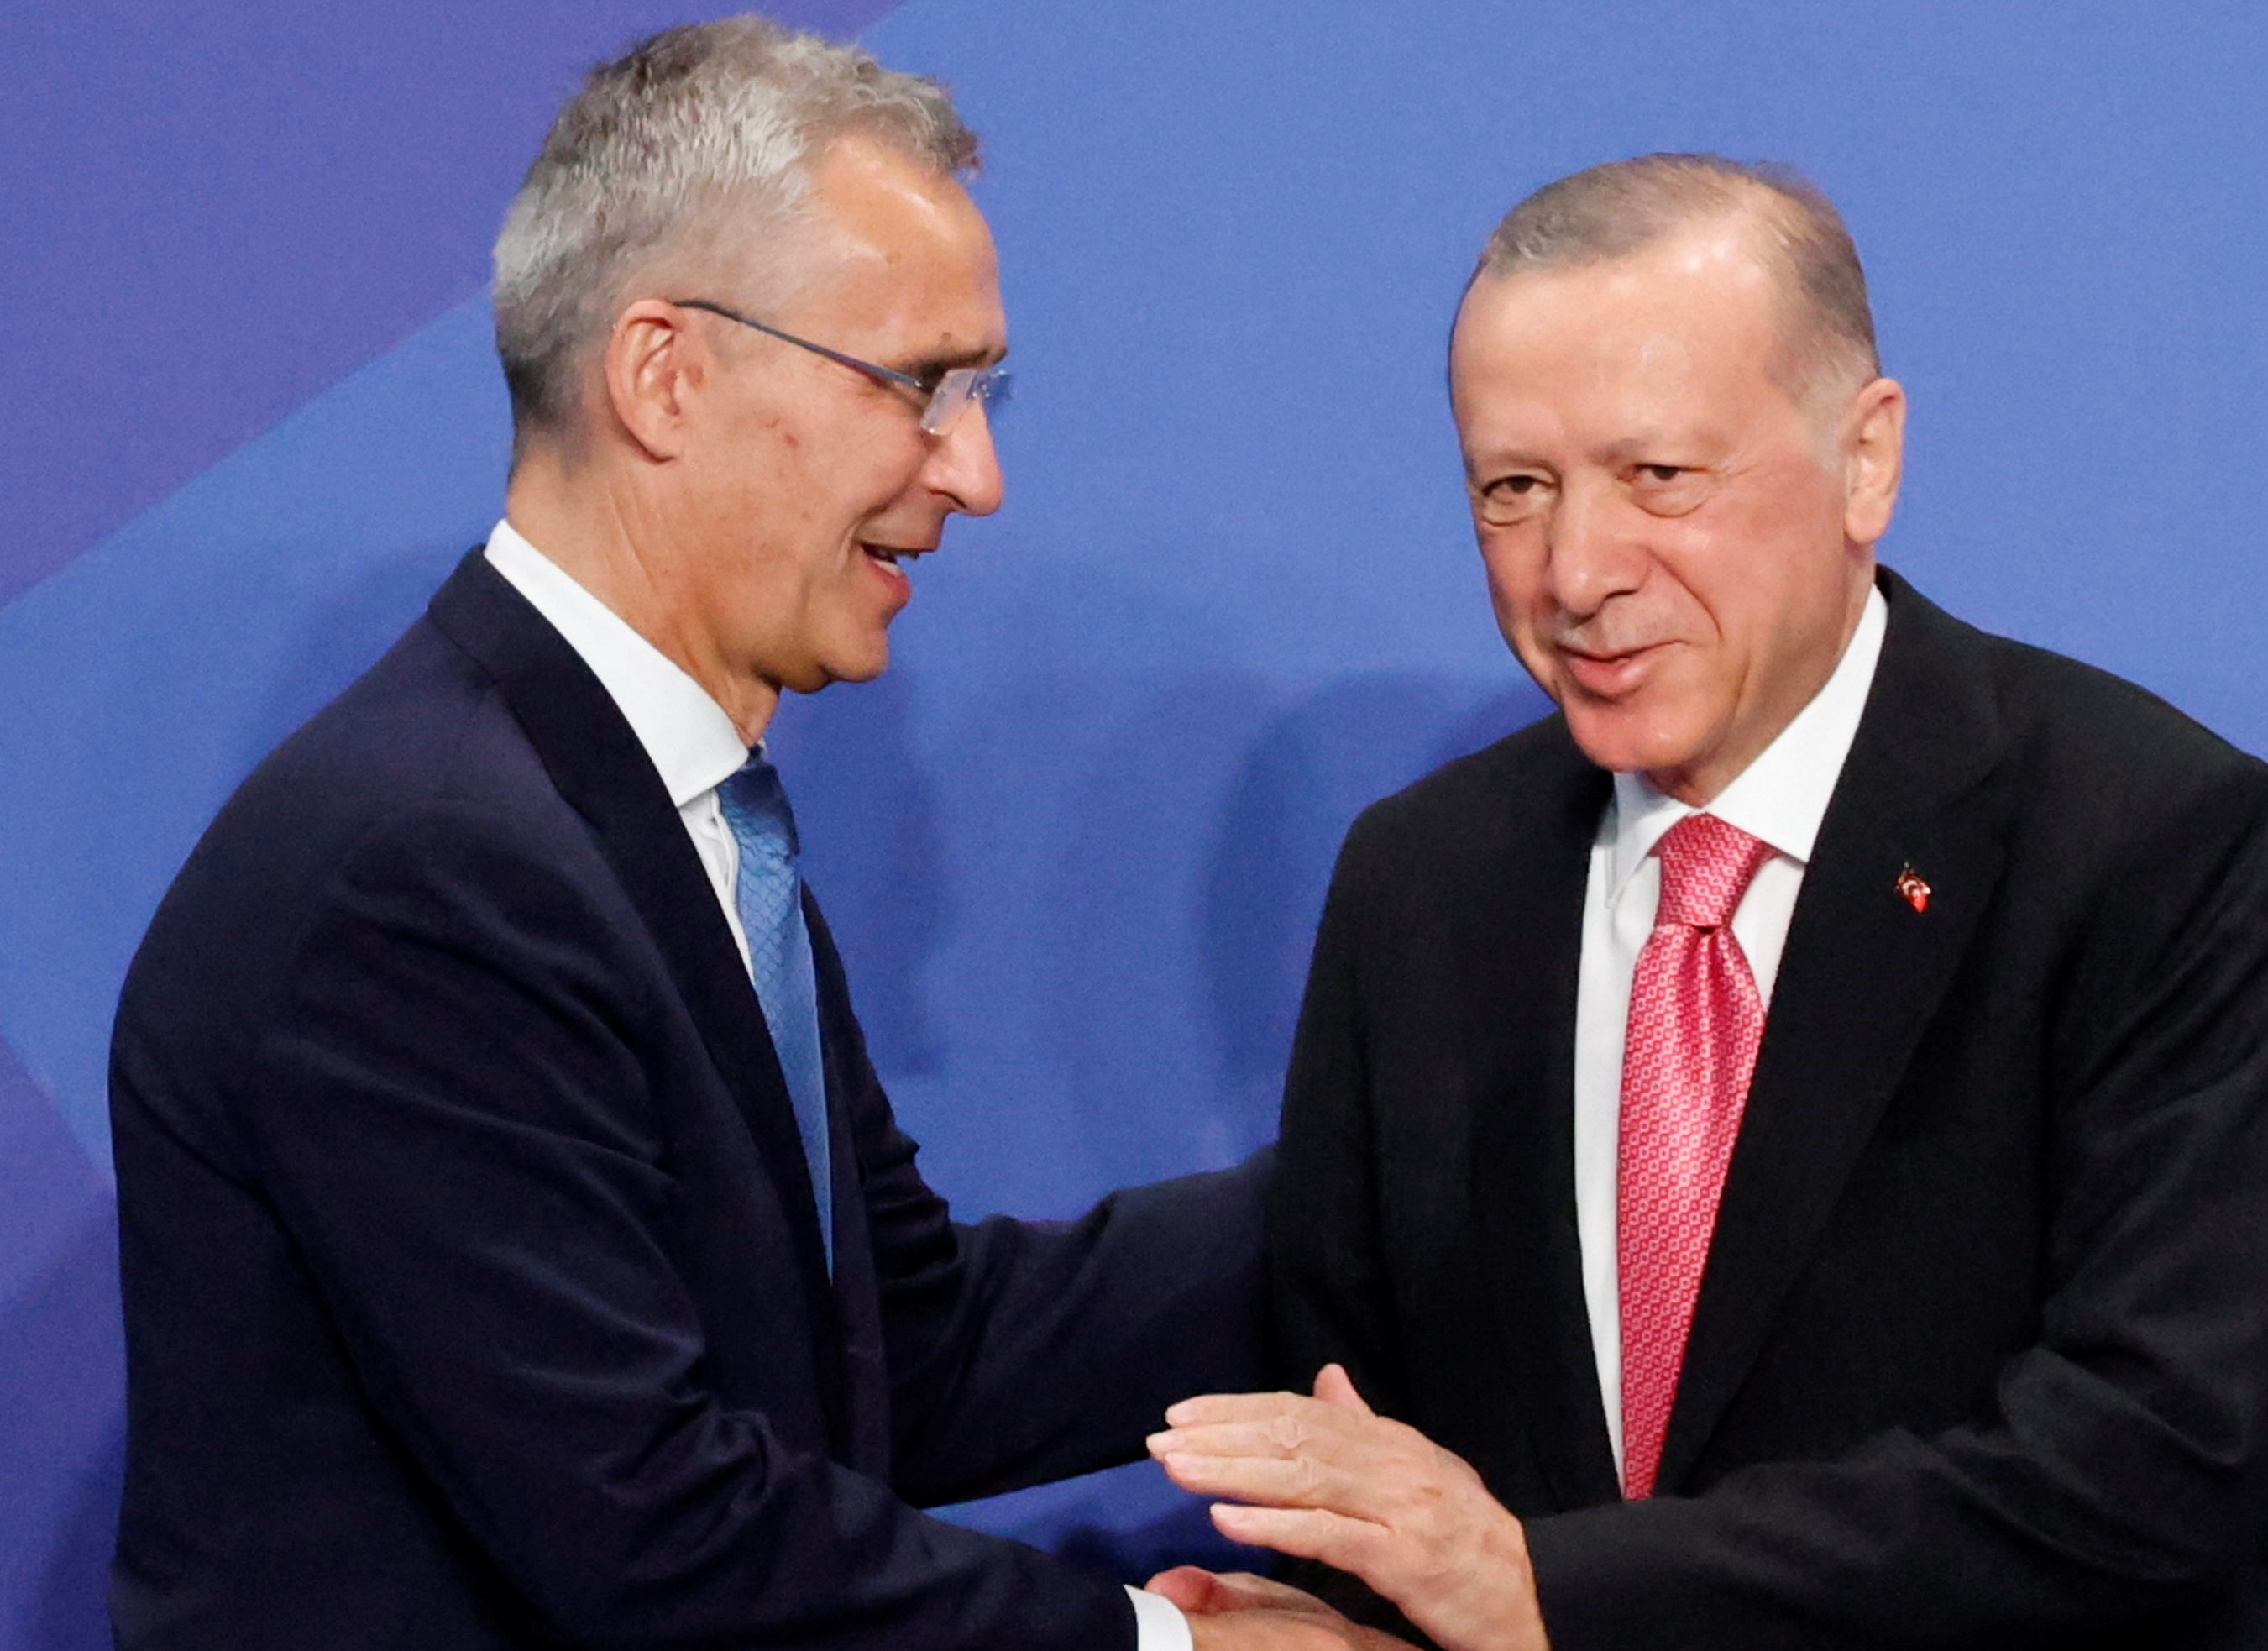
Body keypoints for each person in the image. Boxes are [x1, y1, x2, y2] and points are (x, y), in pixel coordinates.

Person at [107, 19, 1360, 1651]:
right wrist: (1176, 1645)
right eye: (919, 384)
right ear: (665, 375)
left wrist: (1405, 1181)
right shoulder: (425, 869)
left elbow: (902, 1353)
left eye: (982, 392)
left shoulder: (643, 811)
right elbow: (655, 1534)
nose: (976, 472)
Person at [1146, 155, 2268, 1648]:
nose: (1575, 571)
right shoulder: (1420, 880)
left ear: (1865, 460)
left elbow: (2155, 1455)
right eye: (1514, 489)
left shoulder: (2139, 834)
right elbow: (1367, 1434)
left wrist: (1560, 1596)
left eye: (1658, 477)